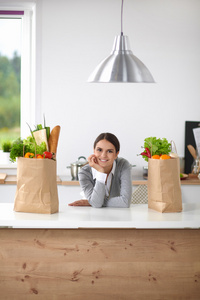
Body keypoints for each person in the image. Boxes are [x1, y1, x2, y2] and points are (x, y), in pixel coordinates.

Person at [69, 133, 132, 208]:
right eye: (99, 150)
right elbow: (96, 204)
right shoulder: (84, 173)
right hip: (92, 214)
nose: (103, 155)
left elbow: (125, 202)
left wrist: (92, 202)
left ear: (116, 154)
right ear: (94, 150)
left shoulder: (123, 165)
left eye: (109, 151)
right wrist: (100, 172)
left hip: (116, 214)